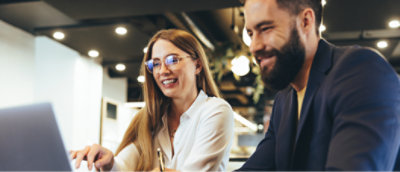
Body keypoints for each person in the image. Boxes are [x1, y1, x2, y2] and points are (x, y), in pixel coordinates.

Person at [238, 0, 400, 170]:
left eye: (265, 29)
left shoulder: (362, 71)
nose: (254, 46)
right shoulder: (284, 98)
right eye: (250, 34)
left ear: (305, 21)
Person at [70, 29, 234, 171]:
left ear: (197, 65)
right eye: (155, 64)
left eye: (172, 60)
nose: (163, 70)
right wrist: (109, 162)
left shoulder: (216, 111)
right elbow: (123, 166)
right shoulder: (149, 119)